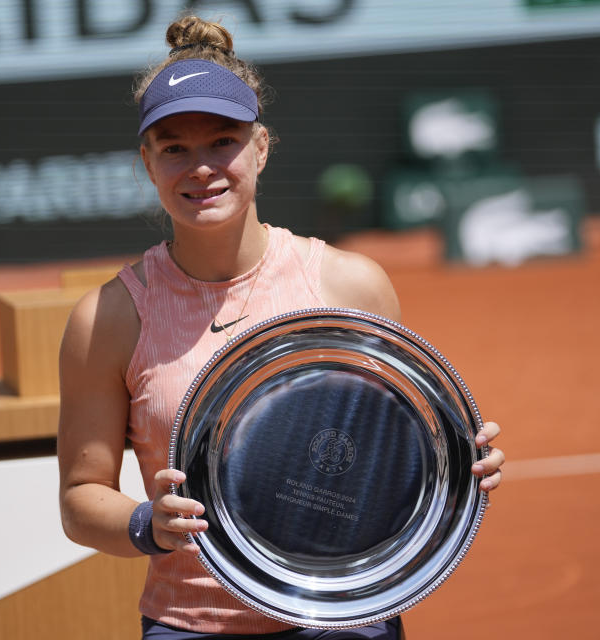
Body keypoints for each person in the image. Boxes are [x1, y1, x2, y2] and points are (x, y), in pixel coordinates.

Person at [58, 15, 505, 640]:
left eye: (223, 141)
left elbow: (393, 442)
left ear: (261, 147)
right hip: (193, 622)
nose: (201, 168)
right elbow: (81, 496)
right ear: (147, 162)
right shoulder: (106, 319)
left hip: (345, 613)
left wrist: (453, 461)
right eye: (174, 147)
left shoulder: (350, 286)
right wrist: (146, 524)